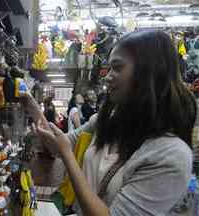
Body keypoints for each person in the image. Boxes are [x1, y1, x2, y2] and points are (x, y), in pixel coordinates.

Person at [20, 30, 197, 215]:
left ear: (149, 72)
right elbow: (60, 144)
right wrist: (31, 105)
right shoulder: (108, 121)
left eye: (118, 67)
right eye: (109, 68)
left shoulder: (170, 155)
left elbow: (63, 149)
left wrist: (67, 155)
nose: (107, 76)